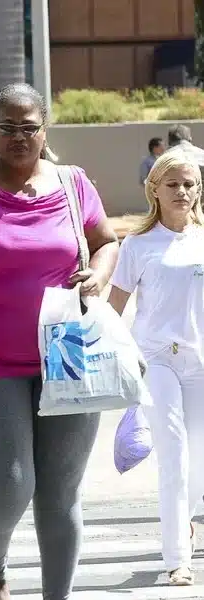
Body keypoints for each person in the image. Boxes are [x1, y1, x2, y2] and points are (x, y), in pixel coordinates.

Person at [0, 83, 120, 600]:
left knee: (60, 494)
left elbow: (105, 242)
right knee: (7, 486)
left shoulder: (74, 184)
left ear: (44, 129)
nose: (18, 137)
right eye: (7, 127)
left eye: (28, 126)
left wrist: (98, 275)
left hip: (69, 356)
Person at [108, 149, 204, 586]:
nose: (181, 191)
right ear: (155, 191)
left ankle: (184, 524)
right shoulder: (137, 244)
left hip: (200, 362)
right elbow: (115, 308)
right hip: (156, 361)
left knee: (198, 463)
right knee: (173, 454)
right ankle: (176, 559)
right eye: (173, 184)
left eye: (188, 184)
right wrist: (124, 360)